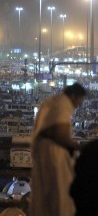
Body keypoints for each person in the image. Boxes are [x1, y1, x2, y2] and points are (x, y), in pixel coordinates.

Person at [30, 83, 87, 216]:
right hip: (53, 154)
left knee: (46, 194)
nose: (79, 105)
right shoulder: (63, 103)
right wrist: (79, 147)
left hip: (45, 151)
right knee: (59, 194)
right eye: (80, 100)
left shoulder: (54, 101)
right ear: (74, 95)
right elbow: (60, 134)